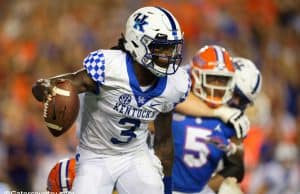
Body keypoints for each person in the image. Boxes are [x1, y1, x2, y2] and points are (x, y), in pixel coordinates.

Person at [32, 6, 189, 194]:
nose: (169, 55)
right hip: (96, 156)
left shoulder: (175, 84)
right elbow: (69, 83)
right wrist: (45, 88)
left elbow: (163, 141)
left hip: (135, 155)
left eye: (172, 48)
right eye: (162, 48)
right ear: (138, 43)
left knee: (152, 188)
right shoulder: (110, 67)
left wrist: (168, 189)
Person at [171, 47, 262, 194]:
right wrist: (217, 112)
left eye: (243, 101)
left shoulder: (234, 121)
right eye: (235, 93)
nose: (235, 102)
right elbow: (173, 95)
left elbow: (236, 167)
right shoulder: (185, 80)